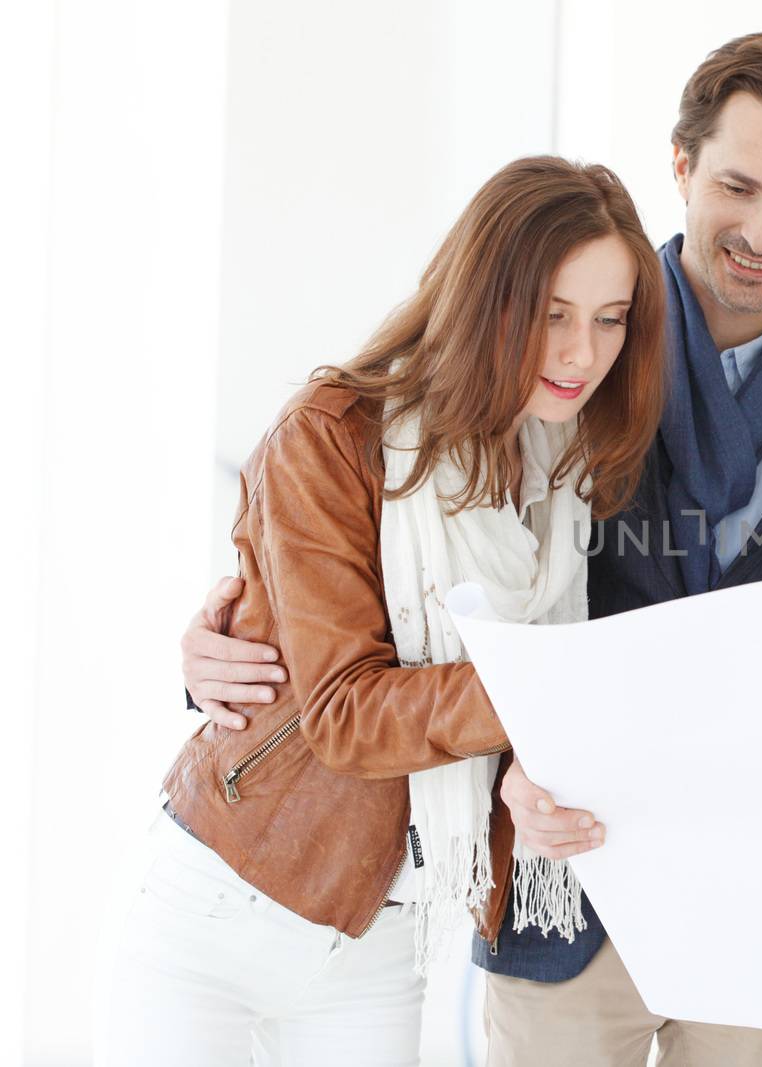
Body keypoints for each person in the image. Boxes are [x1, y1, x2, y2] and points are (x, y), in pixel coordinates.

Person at [178, 31, 762, 1067]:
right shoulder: (556, 361)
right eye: (737, 185)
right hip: (564, 887)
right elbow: (392, 538)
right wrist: (216, 642)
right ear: (680, 164)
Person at [108, 156, 667, 1067]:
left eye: (610, 320)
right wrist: (551, 695)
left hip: (382, 939)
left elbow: (503, 695)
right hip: (219, 906)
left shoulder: (562, 470)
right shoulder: (333, 435)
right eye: (553, 315)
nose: (583, 354)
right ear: (487, 300)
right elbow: (348, 712)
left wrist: (531, 767)